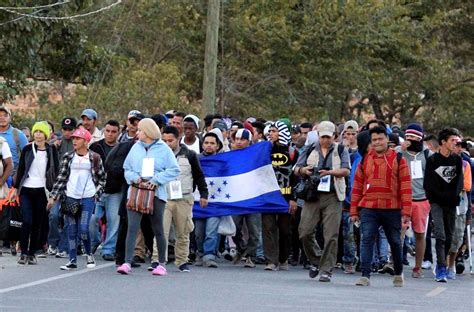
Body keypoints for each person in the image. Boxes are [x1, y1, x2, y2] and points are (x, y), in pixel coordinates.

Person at [350, 126, 412, 287]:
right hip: (369, 207)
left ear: (387, 140)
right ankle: (365, 275)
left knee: (395, 241)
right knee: (367, 239)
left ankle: (398, 273)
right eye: (374, 140)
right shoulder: (365, 160)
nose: (377, 142)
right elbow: (357, 186)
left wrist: (406, 212)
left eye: (380, 139)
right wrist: (354, 211)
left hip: (392, 207)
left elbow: (406, 187)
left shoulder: (399, 159)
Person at [117, 118, 180, 276]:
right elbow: (127, 168)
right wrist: (134, 178)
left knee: (157, 228)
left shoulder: (163, 149)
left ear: (149, 132)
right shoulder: (135, 148)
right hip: (136, 191)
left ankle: (161, 263)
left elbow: (174, 169)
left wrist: (156, 180)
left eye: (140, 130)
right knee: (132, 227)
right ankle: (127, 262)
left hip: (156, 193)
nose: (137, 133)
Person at [294, 121, 351, 282]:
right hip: (312, 195)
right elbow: (297, 169)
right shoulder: (310, 148)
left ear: (334, 136)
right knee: (304, 231)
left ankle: (327, 269)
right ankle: (316, 259)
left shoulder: (340, 150)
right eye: (322, 136)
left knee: (331, 234)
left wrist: (330, 172)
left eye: (328, 136)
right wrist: (304, 170)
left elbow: (346, 170)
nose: (325, 140)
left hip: (333, 196)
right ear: (318, 136)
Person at [47, 128, 106, 270]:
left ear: (86, 141)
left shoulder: (95, 157)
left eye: (78, 139)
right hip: (70, 198)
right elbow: (61, 178)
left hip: (87, 198)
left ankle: (89, 254)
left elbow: (102, 179)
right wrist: (53, 197)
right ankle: (72, 260)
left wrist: (95, 193)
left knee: (84, 228)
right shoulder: (68, 157)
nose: (74, 141)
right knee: (72, 231)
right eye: (73, 138)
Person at [153, 126, 208, 272]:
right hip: (163, 197)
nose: (167, 144)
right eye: (164, 141)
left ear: (178, 139)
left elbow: (198, 175)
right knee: (161, 230)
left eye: (170, 140)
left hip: (183, 198)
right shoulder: (158, 155)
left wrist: (204, 194)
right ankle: (158, 259)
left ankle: (182, 260)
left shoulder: (190, 155)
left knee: (183, 231)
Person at [13, 122, 59, 264]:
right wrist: (15, 188)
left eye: (41, 132)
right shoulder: (27, 149)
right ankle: (23, 252)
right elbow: (20, 169)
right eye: (36, 131)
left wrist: (53, 196)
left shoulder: (51, 150)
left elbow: (56, 172)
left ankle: (32, 253)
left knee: (37, 223)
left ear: (46, 134)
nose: (38, 134)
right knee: (26, 221)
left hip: (42, 191)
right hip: (26, 189)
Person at [423, 128, 463, 282]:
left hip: (451, 203)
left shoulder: (457, 160)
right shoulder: (433, 160)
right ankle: (440, 267)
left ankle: (444, 263)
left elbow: (459, 182)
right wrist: (438, 197)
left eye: (457, 141)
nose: (455, 143)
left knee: (449, 235)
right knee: (439, 234)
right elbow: (429, 184)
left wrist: (453, 197)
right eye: (453, 140)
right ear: (443, 142)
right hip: (437, 202)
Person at [397, 123, 432, 278]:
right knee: (398, 233)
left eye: (414, 137)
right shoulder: (401, 153)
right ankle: (394, 263)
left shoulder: (427, 154)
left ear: (420, 138)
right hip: (402, 199)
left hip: (421, 200)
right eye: (408, 137)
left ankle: (417, 267)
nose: (410, 140)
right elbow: (389, 159)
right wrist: (400, 149)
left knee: (419, 234)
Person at [262, 121, 298, 271]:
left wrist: (293, 199)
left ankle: (283, 258)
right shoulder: (264, 150)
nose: (270, 133)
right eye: (270, 130)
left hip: (285, 197)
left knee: (285, 230)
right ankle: (271, 260)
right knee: (268, 228)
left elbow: (296, 177)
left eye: (274, 130)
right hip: (268, 196)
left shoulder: (293, 152)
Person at [89, 120, 121, 260]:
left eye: (113, 132)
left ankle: (108, 250)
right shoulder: (95, 147)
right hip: (96, 190)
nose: (110, 134)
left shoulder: (123, 148)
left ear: (118, 133)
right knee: (92, 219)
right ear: (104, 132)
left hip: (115, 191)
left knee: (114, 221)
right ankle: (95, 240)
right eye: (107, 131)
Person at [194, 128, 225, 268]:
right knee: (199, 232)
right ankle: (200, 253)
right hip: (199, 201)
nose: (209, 145)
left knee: (211, 231)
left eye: (212, 143)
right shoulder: (196, 159)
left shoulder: (223, 161)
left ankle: (209, 255)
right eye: (206, 142)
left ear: (218, 146)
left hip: (216, 203)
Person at [47, 117, 77, 258]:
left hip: (71, 187)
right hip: (57, 185)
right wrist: (53, 147)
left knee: (67, 217)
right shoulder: (55, 144)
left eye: (70, 129)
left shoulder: (78, 144)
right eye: (64, 129)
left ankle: (63, 247)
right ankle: (52, 244)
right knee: (53, 215)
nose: (67, 132)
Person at [231, 129, 260, 268]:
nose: (238, 142)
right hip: (237, 198)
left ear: (249, 142)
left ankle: (250, 256)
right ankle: (241, 248)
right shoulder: (230, 156)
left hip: (253, 198)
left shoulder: (255, 156)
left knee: (253, 229)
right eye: (236, 139)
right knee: (234, 228)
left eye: (242, 139)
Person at [0, 106, 29, 173]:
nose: (2, 118)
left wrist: (16, 177)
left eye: (5, 115)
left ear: (10, 118)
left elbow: (27, 157)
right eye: (0, 115)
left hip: (12, 176)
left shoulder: (18, 134)